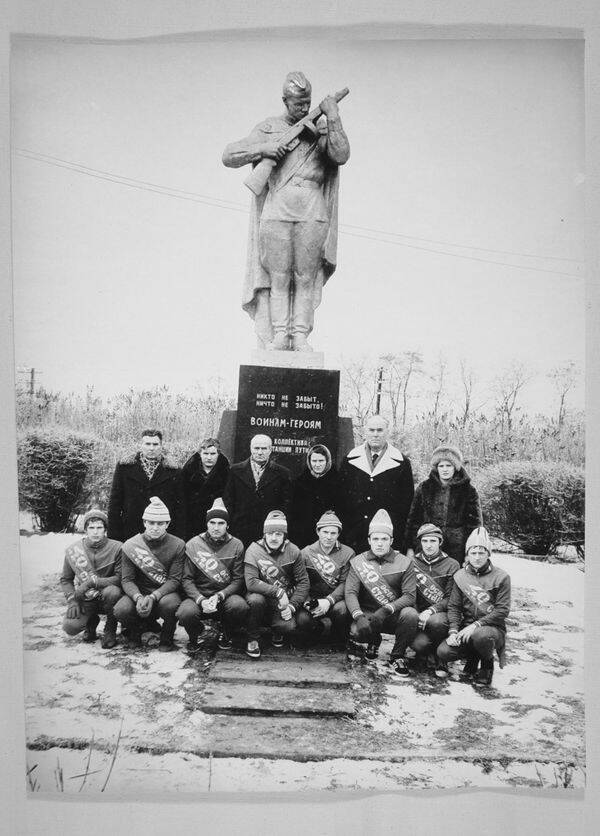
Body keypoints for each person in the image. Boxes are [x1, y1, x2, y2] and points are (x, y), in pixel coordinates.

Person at [222, 71, 350, 351]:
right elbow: (229, 155)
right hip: (277, 207)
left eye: (307, 103)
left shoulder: (322, 129)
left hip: (312, 209)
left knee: (305, 276)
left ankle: (300, 335)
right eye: (297, 104)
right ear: (285, 101)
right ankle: (281, 334)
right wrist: (264, 149)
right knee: (278, 276)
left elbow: (341, 155)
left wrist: (333, 116)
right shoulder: (267, 128)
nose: (304, 108)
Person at [344, 509, 417, 676]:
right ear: (369, 540)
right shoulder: (358, 561)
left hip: (392, 614)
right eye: (375, 539)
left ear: (391, 540)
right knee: (356, 631)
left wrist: (386, 610)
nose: (379, 543)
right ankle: (373, 640)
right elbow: (350, 593)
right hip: (369, 613)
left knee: (411, 614)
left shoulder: (405, 562)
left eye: (384, 539)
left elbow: (409, 596)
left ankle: (397, 655)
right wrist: (358, 616)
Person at [436, 527, 511, 687]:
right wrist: (453, 631)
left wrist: (477, 625)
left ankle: (486, 663)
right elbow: (454, 607)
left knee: (481, 636)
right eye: (473, 553)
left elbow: (502, 610)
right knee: (444, 651)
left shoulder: (501, 577)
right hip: (466, 627)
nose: (477, 557)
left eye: (481, 553)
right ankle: (472, 657)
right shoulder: (460, 576)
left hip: (492, 629)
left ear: (488, 554)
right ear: (467, 554)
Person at [176, 500, 249, 653]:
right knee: (185, 612)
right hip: (199, 595)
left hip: (225, 595)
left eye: (221, 523)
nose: (216, 527)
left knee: (239, 606)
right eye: (212, 522)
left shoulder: (236, 545)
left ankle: (226, 633)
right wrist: (200, 600)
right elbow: (186, 579)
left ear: (227, 525)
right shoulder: (193, 544)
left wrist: (221, 595)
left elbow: (238, 580)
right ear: (207, 524)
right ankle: (196, 635)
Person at [114, 497, 185, 652]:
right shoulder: (131, 545)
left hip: (164, 591)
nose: (155, 527)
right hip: (139, 591)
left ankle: (167, 637)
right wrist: (138, 597)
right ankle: (135, 633)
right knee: (121, 609)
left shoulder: (178, 544)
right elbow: (127, 579)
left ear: (167, 524)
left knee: (171, 604)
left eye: (160, 523)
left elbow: (174, 579)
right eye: (151, 523)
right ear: (144, 522)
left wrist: (154, 596)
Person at [339, 415, 414, 553]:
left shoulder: (401, 463)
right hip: (354, 536)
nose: (375, 434)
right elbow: (341, 500)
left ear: (387, 432)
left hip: (385, 537)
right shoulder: (349, 460)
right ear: (365, 432)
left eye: (379, 430)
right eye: (371, 430)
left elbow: (406, 505)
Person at [244, 510, 309, 658]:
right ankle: (252, 638)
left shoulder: (293, 551)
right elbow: (251, 582)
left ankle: (276, 630)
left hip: (282, 602)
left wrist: (292, 606)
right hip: (261, 595)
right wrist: (279, 592)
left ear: (284, 536)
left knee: (288, 626)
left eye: (278, 534)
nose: (274, 538)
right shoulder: (253, 550)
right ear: (264, 534)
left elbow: (303, 582)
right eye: (270, 533)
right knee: (255, 600)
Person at [405, 444, 482, 565]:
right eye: (441, 466)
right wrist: (410, 546)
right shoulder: (424, 488)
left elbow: (475, 525)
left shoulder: (468, 490)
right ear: (436, 468)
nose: (445, 469)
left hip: (457, 549)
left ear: (455, 467)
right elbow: (413, 520)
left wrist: (470, 552)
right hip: (427, 545)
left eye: (448, 465)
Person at [402, 523, 460, 678]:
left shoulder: (452, 564)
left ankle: (441, 658)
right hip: (418, 611)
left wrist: (430, 610)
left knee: (437, 622)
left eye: (433, 541)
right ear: (420, 542)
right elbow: (408, 592)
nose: (428, 545)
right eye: (425, 541)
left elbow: (451, 598)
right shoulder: (411, 562)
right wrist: (416, 613)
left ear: (440, 542)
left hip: (440, 612)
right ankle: (426, 652)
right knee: (419, 645)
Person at [108, 428, 185, 541]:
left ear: (161, 446)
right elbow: (115, 504)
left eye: (155, 444)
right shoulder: (125, 467)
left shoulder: (174, 470)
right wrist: (113, 537)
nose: (151, 448)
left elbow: (180, 508)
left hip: (162, 534)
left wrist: (178, 538)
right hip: (131, 531)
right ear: (141, 445)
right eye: (147, 444)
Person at [60, 509, 122, 649]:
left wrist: (93, 582)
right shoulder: (74, 550)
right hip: (86, 597)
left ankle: (110, 628)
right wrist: (72, 600)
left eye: (99, 528)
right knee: (70, 626)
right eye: (91, 528)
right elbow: (66, 579)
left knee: (113, 591)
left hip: (109, 595)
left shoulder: (117, 547)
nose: (95, 532)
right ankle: (91, 622)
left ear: (105, 529)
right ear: (85, 530)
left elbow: (120, 578)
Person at [222, 434, 292, 548]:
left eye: (264, 448)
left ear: (270, 450)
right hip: (240, 530)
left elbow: (286, 505)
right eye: (256, 448)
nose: (260, 452)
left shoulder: (283, 473)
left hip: (268, 532)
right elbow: (228, 500)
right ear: (250, 448)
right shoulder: (234, 471)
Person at [296, 510, 354, 644]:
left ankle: (337, 636)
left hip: (334, 600)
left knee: (342, 610)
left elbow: (346, 583)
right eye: (325, 532)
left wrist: (328, 601)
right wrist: (307, 602)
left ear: (339, 534)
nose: (329, 537)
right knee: (302, 620)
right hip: (313, 600)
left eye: (333, 533)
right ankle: (319, 628)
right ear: (318, 532)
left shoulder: (348, 553)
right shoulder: (305, 553)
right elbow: (299, 582)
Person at [289, 443, 341, 548]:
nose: (317, 464)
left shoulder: (338, 482)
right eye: (314, 461)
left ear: (327, 461)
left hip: (327, 536)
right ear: (309, 461)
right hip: (304, 536)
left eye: (321, 461)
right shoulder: (299, 482)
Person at [181, 437, 230, 540]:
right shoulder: (187, 473)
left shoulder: (227, 474)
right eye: (205, 454)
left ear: (218, 454)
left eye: (212, 454)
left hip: (215, 522)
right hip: (192, 521)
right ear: (200, 454)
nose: (209, 457)